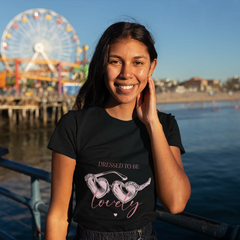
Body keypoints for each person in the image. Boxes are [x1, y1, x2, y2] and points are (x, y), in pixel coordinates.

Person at [45, 21, 191, 240]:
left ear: (151, 67)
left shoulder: (164, 125)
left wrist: (152, 123)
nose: (126, 73)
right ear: (103, 64)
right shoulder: (74, 125)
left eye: (137, 62)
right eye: (115, 62)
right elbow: (58, 215)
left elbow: (176, 203)